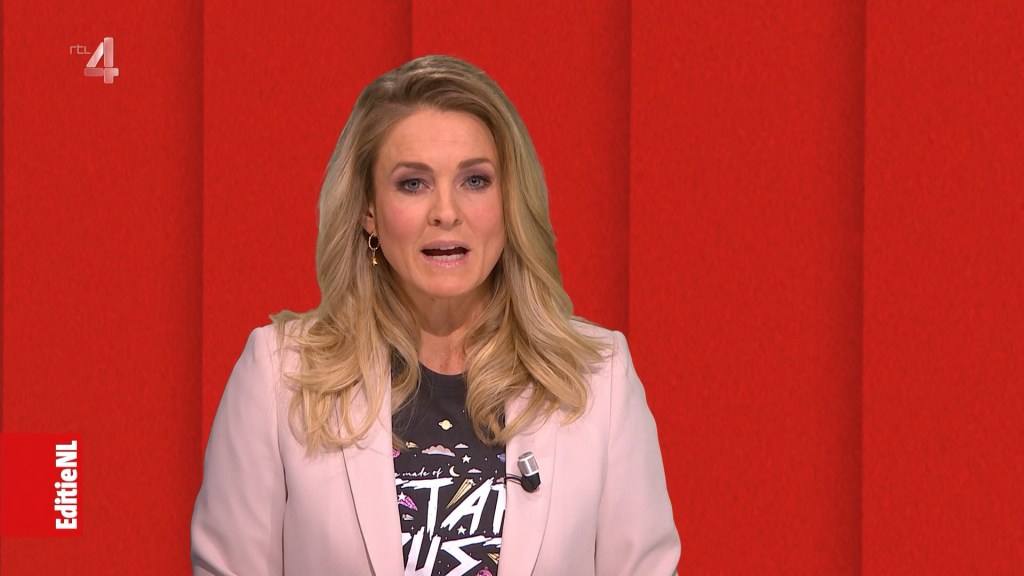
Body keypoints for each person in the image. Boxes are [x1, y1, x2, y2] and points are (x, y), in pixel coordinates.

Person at [191, 54, 680, 576]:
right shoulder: (280, 376)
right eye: (413, 184)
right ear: (368, 211)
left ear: (509, 203)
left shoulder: (598, 378)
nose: (446, 212)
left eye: (475, 181)